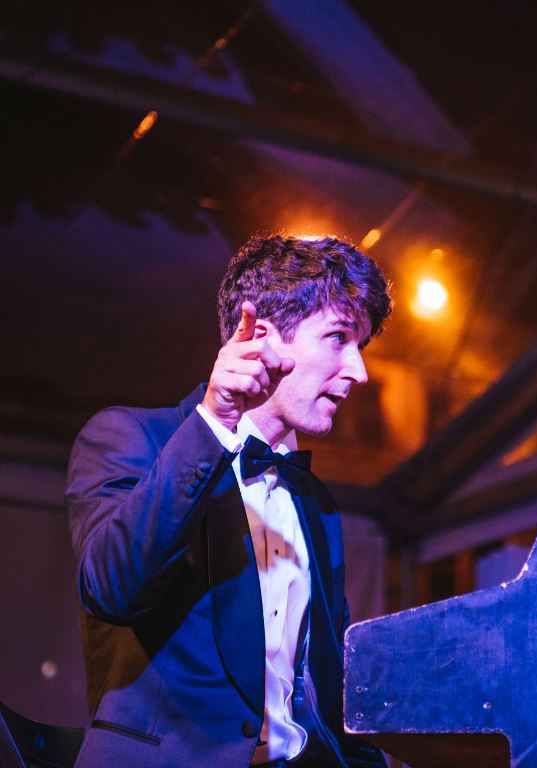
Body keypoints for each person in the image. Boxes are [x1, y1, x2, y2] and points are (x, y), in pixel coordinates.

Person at [65, 234, 391, 767]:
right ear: (261, 337)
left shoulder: (317, 502)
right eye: (338, 338)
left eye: (361, 347)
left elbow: (328, 686)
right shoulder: (129, 437)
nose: (359, 371)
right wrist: (214, 423)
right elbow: (112, 590)